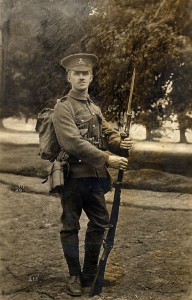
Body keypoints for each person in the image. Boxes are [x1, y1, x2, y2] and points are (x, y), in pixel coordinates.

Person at [53, 53, 132, 297]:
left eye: (85, 73)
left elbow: (108, 136)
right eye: (76, 73)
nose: (81, 77)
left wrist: (121, 142)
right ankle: (75, 276)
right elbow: (72, 142)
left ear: (91, 77)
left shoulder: (94, 108)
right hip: (73, 177)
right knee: (70, 226)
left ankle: (90, 275)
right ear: (69, 77)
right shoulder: (63, 107)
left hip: (95, 178)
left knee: (100, 223)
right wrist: (108, 158)